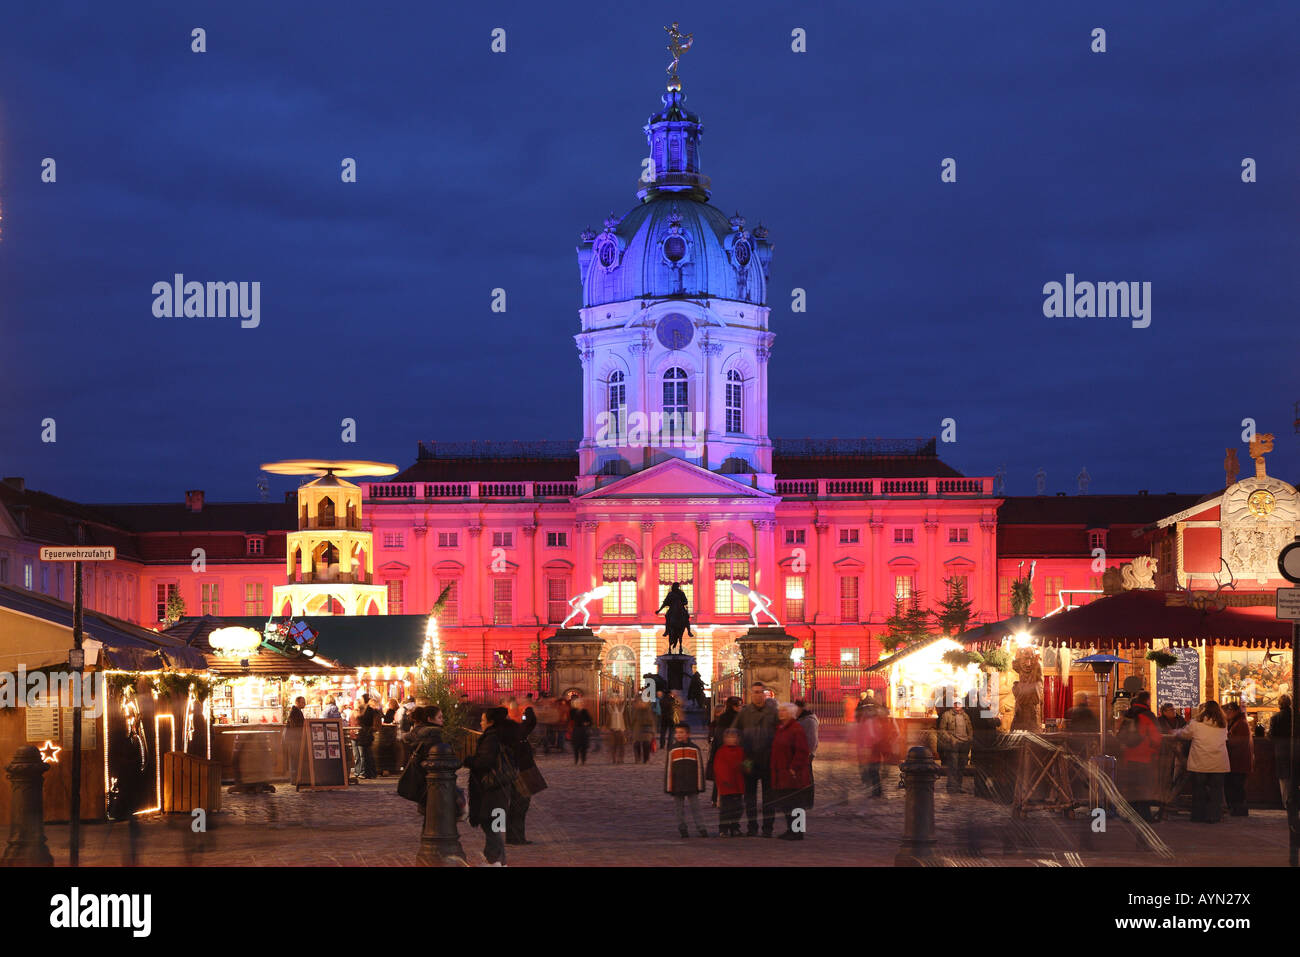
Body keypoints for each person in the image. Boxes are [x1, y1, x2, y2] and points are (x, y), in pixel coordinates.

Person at [464, 708, 515, 865]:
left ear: (491, 722)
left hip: (492, 788)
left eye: (483, 720)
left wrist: (468, 760)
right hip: (501, 787)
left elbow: (484, 762)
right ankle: (499, 861)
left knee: (492, 825)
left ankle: (494, 861)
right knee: (495, 826)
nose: (481, 722)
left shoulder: (492, 738)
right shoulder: (504, 734)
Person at [732, 682, 779, 836]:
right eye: (755, 692)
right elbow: (734, 732)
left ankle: (767, 828)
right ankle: (752, 827)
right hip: (748, 759)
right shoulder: (744, 712)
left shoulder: (773, 712)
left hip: (768, 757)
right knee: (750, 797)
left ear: (765, 693)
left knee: (769, 797)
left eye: (760, 692)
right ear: (750, 694)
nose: (758, 695)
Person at [1174, 700, 1229, 823]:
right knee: (1216, 791)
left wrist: (1175, 732)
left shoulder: (1196, 723)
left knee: (1199, 790)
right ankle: (1214, 816)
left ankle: (1198, 816)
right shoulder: (1223, 724)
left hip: (1200, 760)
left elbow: (1185, 734)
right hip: (1218, 762)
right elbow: (1225, 738)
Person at [1115, 690, 1162, 822]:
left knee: (1131, 788)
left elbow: (1120, 734)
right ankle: (1145, 816)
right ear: (1147, 700)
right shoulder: (1148, 715)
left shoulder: (1129, 714)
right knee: (1144, 788)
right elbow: (1156, 738)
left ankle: (1130, 815)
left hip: (1128, 756)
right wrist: (1155, 751)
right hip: (1145, 757)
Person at [771, 702, 812, 841]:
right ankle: (791, 829)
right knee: (787, 804)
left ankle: (797, 831)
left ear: (790, 713)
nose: (780, 713)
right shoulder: (781, 728)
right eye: (780, 710)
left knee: (796, 803)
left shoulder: (795, 729)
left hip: (794, 774)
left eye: (783, 711)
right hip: (783, 773)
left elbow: (802, 751)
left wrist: (794, 768)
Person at [502, 704, 541, 845]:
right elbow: (529, 724)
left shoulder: (506, 732)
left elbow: (528, 725)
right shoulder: (511, 732)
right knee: (519, 805)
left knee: (517, 806)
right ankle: (515, 837)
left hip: (519, 770)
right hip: (521, 771)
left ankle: (515, 837)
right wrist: (528, 712)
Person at [664, 722, 708, 838]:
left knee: (696, 807)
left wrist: (700, 785)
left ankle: (701, 828)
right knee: (679, 809)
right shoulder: (672, 750)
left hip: (691, 784)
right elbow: (669, 769)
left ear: (688, 734)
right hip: (677, 785)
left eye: (681, 732)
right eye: (677, 732)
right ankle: (682, 828)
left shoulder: (694, 749)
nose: (678, 735)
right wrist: (669, 787)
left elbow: (699, 768)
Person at [398, 706, 444, 813]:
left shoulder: (417, 731)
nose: (442, 720)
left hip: (419, 774)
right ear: (429, 719)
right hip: (431, 777)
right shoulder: (433, 733)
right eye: (439, 717)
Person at [855, 694, 898, 797]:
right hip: (876, 748)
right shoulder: (871, 719)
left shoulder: (875, 720)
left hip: (876, 749)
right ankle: (876, 789)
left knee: (873, 769)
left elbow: (874, 735)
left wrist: (870, 745)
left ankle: (876, 791)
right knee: (873, 770)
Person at [706, 696, 743, 805]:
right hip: (730, 751)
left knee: (721, 775)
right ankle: (730, 798)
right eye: (739, 705)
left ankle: (716, 799)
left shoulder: (724, 717)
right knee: (729, 775)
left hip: (721, 751)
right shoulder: (736, 718)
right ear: (733, 706)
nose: (741, 707)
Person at [1156, 702, 1189, 818]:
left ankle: (1173, 803)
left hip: (1179, 754)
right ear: (1164, 712)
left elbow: (1186, 734)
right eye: (1170, 710)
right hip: (1165, 754)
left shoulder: (1181, 720)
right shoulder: (1159, 721)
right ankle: (1164, 805)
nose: (1173, 711)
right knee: (1165, 779)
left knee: (1177, 778)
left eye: (1174, 709)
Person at [713, 728, 745, 836]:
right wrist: (724, 780)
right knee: (725, 809)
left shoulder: (741, 751)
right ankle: (723, 828)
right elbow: (718, 768)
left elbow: (746, 764)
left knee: (738, 808)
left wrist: (748, 768)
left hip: (738, 785)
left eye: (733, 737)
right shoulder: (721, 751)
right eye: (729, 737)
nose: (731, 739)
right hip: (726, 786)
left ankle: (735, 827)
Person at [1223, 702, 1254, 816]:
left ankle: (1239, 810)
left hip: (1239, 761)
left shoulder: (1240, 723)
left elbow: (1238, 742)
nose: (1226, 714)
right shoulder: (1238, 721)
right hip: (1238, 760)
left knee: (1236, 786)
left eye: (1227, 712)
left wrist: (1225, 741)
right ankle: (1237, 809)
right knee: (1235, 786)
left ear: (1233, 711)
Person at [937, 699, 974, 794]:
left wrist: (969, 738)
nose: (957, 705)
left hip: (964, 743)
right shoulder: (947, 715)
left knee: (961, 766)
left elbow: (969, 729)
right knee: (953, 765)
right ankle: (952, 787)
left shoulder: (965, 715)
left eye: (959, 703)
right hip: (954, 743)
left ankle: (958, 786)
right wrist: (951, 739)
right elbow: (942, 730)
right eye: (955, 703)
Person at [794, 699, 819, 808]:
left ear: (801, 708)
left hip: (807, 753)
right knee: (803, 777)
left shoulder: (809, 720)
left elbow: (812, 739)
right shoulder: (801, 718)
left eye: (796, 708)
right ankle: (803, 800)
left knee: (808, 777)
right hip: (802, 752)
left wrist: (809, 753)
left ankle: (808, 802)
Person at [1270, 694, 1293, 806]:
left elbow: (1272, 736)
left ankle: (1286, 803)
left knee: (1283, 778)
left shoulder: (1275, 718)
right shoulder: (1296, 716)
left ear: (1279, 704)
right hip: (1295, 749)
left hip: (1281, 750)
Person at [354, 693, 379, 779]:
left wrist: (358, 716)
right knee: (366, 753)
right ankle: (370, 772)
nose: (360, 700)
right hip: (365, 733)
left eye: (361, 699)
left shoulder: (368, 710)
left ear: (364, 700)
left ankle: (370, 773)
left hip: (366, 733)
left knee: (367, 754)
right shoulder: (365, 709)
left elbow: (365, 720)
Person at [284, 696, 306, 783]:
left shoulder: (296, 711)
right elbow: (296, 726)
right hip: (294, 739)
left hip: (294, 738)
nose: (304, 704)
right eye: (302, 702)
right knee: (295, 758)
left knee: (295, 758)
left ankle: (295, 777)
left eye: (304, 702)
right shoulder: (295, 712)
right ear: (297, 703)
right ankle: (294, 778)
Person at [631, 697, 656, 764]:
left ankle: (646, 759)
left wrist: (653, 731)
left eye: (643, 702)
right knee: (637, 744)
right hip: (637, 729)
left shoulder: (648, 710)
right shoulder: (635, 710)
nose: (642, 703)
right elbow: (632, 720)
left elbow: (652, 721)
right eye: (640, 702)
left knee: (646, 744)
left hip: (647, 730)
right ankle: (638, 758)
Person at [570, 696, 593, 765]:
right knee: (576, 746)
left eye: (581, 703)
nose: (581, 704)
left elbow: (590, 721)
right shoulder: (573, 711)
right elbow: (571, 719)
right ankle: (576, 760)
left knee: (583, 746)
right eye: (579, 703)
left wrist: (587, 723)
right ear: (575, 704)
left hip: (583, 730)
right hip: (576, 730)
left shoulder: (585, 711)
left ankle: (583, 760)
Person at [607, 695, 627, 764]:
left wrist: (627, 728)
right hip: (613, 729)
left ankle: (620, 759)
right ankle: (614, 759)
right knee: (613, 746)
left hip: (621, 729)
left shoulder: (623, 707)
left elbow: (626, 718)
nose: (615, 700)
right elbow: (607, 718)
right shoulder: (609, 707)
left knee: (621, 746)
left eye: (617, 698)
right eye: (613, 698)